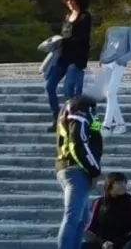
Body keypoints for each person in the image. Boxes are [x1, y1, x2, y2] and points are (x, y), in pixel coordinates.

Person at [55, 94, 104, 249]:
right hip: (76, 169)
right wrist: (94, 170)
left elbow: (90, 136)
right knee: (73, 216)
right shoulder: (80, 111)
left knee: (82, 218)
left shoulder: (72, 110)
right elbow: (78, 144)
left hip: (71, 168)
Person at [47, 0, 94, 121]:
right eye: (68, 1)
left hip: (77, 58)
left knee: (69, 89)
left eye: (72, 0)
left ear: (79, 0)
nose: (70, 3)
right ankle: (57, 115)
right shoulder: (68, 16)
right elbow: (64, 34)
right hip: (62, 56)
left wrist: (65, 41)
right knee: (50, 86)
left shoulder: (85, 16)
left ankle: (72, 118)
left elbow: (83, 39)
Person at [84, 171, 131, 249]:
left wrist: (116, 243)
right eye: (119, 183)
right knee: (84, 246)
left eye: (124, 183)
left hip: (125, 242)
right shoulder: (98, 202)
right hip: (103, 243)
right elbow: (91, 227)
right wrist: (103, 242)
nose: (123, 185)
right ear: (110, 185)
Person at [97, 24, 131, 136]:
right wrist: (101, 59)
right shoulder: (109, 30)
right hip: (106, 62)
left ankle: (106, 125)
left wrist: (121, 60)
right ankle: (121, 124)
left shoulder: (129, 30)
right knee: (109, 94)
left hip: (118, 64)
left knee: (111, 93)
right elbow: (106, 45)